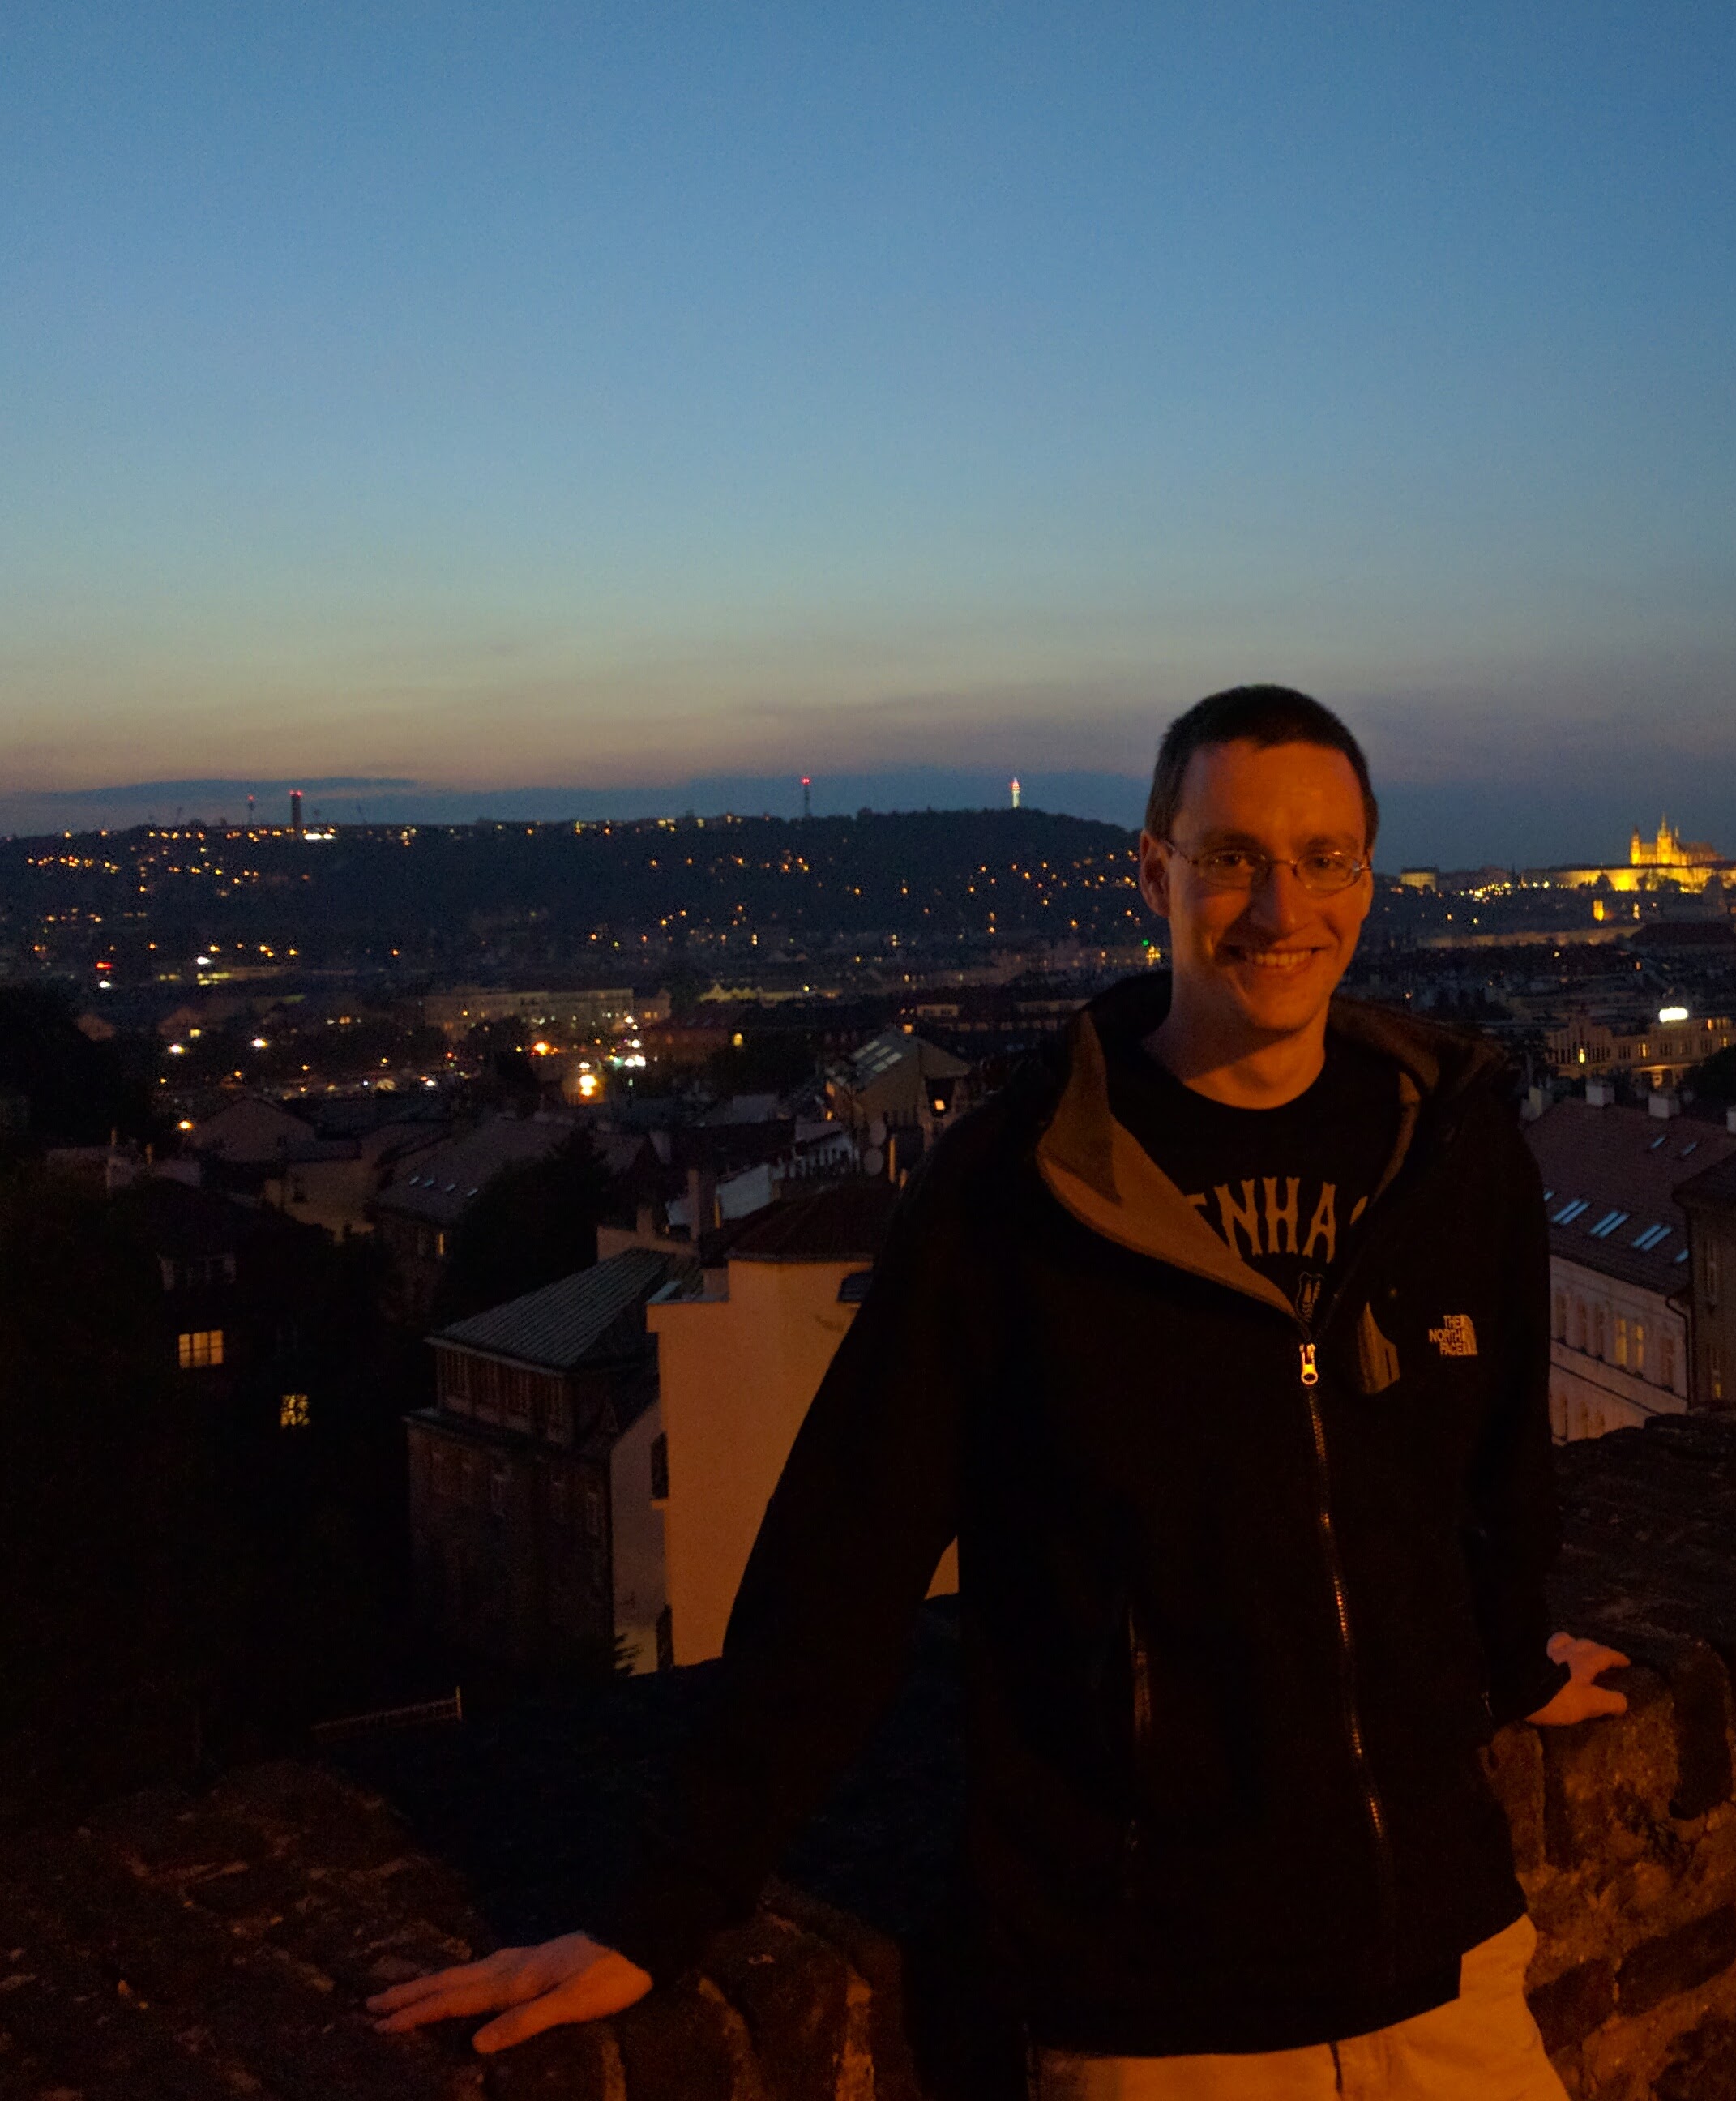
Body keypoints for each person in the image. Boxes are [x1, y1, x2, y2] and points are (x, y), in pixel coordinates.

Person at [371, 684, 1625, 2096]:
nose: (1282, 909)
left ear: (1368, 882)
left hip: (1445, 1954)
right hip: (1155, 2003)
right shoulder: (1016, 1188)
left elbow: (1500, 1458)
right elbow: (849, 1552)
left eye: (1322, 860)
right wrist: (667, 1904)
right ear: (1153, 872)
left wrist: (1511, 1660)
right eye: (1231, 858)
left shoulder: (1451, 1149)